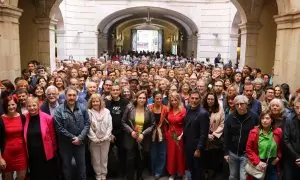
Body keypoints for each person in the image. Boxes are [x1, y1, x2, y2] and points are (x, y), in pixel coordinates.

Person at [54, 87, 90, 180]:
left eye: (74, 95)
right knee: (67, 167)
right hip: (65, 144)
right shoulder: (58, 110)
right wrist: (74, 138)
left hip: (80, 143)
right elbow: (59, 128)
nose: (72, 97)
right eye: (69, 95)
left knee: (82, 166)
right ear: (65, 96)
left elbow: (87, 123)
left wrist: (80, 138)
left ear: (77, 96)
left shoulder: (82, 107)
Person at [224, 95, 259, 180]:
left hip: (246, 154)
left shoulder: (254, 117)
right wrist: (225, 152)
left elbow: (257, 135)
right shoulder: (230, 118)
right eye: (237, 104)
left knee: (244, 177)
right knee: (233, 176)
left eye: (242, 104)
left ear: (246, 104)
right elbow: (226, 136)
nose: (239, 106)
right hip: (233, 153)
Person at [122, 90, 155, 180]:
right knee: (130, 160)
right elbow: (123, 122)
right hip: (131, 137)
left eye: (144, 98)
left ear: (146, 99)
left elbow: (153, 125)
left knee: (141, 160)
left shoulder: (148, 110)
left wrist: (143, 134)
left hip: (142, 139)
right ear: (136, 98)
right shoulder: (129, 108)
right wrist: (131, 132)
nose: (142, 100)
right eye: (140, 98)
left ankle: (139, 177)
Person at [24, 97, 58, 180]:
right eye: (29, 106)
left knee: (48, 175)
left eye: (34, 105)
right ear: (26, 107)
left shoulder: (47, 118)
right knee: (35, 175)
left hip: (45, 153)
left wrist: (53, 150)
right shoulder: (24, 118)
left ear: (38, 105)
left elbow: (53, 136)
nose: (32, 108)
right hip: (32, 154)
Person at [246, 111, 282, 180]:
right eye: (262, 118)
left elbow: (281, 147)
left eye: (267, 118)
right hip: (258, 165)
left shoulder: (278, 132)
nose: (264, 120)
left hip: (272, 164)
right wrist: (258, 162)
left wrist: (278, 157)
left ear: (272, 120)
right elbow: (248, 149)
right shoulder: (254, 132)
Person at [183, 90, 210, 180]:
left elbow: (204, 134)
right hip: (188, 145)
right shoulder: (188, 109)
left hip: (197, 147)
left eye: (196, 98)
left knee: (198, 170)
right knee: (191, 168)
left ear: (200, 99)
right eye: (192, 98)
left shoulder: (203, 113)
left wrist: (198, 149)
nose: (194, 100)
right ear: (189, 98)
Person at [0, 96, 27, 180]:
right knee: (7, 177)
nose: (11, 107)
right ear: (5, 106)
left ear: (16, 104)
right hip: (7, 153)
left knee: (22, 176)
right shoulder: (1, 119)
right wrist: (0, 158)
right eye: (8, 105)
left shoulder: (22, 117)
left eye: (13, 104)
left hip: (22, 152)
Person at [105, 84, 129, 177]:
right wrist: (110, 133)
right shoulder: (107, 103)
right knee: (108, 153)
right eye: (113, 90)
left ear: (120, 91)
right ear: (110, 91)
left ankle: (122, 173)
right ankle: (110, 172)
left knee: (122, 153)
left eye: (117, 90)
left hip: (122, 132)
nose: (115, 92)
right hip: (110, 132)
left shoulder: (125, 102)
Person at [87, 94, 112, 180]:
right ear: (91, 103)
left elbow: (110, 125)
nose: (95, 103)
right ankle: (98, 174)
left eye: (97, 101)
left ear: (100, 102)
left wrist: (105, 137)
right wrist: (95, 139)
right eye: (93, 101)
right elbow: (88, 127)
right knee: (95, 159)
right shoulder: (88, 112)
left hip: (106, 139)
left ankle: (103, 174)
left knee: (104, 158)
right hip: (94, 141)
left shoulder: (107, 111)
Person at [202, 91, 225, 179]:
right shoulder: (202, 108)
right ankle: (205, 173)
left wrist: (214, 134)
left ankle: (211, 175)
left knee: (213, 158)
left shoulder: (220, 109)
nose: (210, 101)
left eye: (212, 99)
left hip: (215, 138)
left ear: (215, 100)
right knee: (204, 157)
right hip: (204, 137)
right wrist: (206, 134)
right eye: (208, 99)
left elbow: (222, 124)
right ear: (206, 99)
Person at [148, 91, 168, 179]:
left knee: (162, 153)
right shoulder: (149, 107)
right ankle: (153, 170)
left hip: (162, 134)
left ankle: (159, 172)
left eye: (160, 98)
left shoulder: (166, 108)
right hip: (151, 134)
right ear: (153, 99)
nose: (159, 100)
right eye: (157, 98)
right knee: (153, 153)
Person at [166, 92, 187, 180]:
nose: (174, 102)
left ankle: (182, 172)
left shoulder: (183, 110)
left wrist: (182, 134)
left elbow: (186, 124)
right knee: (171, 154)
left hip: (179, 135)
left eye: (176, 100)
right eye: (172, 100)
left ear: (179, 100)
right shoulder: (169, 110)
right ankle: (172, 173)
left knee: (180, 154)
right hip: (171, 134)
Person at [284, 96, 300, 179]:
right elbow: (286, 140)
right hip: (291, 157)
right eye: (297, 108)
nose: (299, 111)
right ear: (294, 107)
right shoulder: (289, 119)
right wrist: (297, 157)